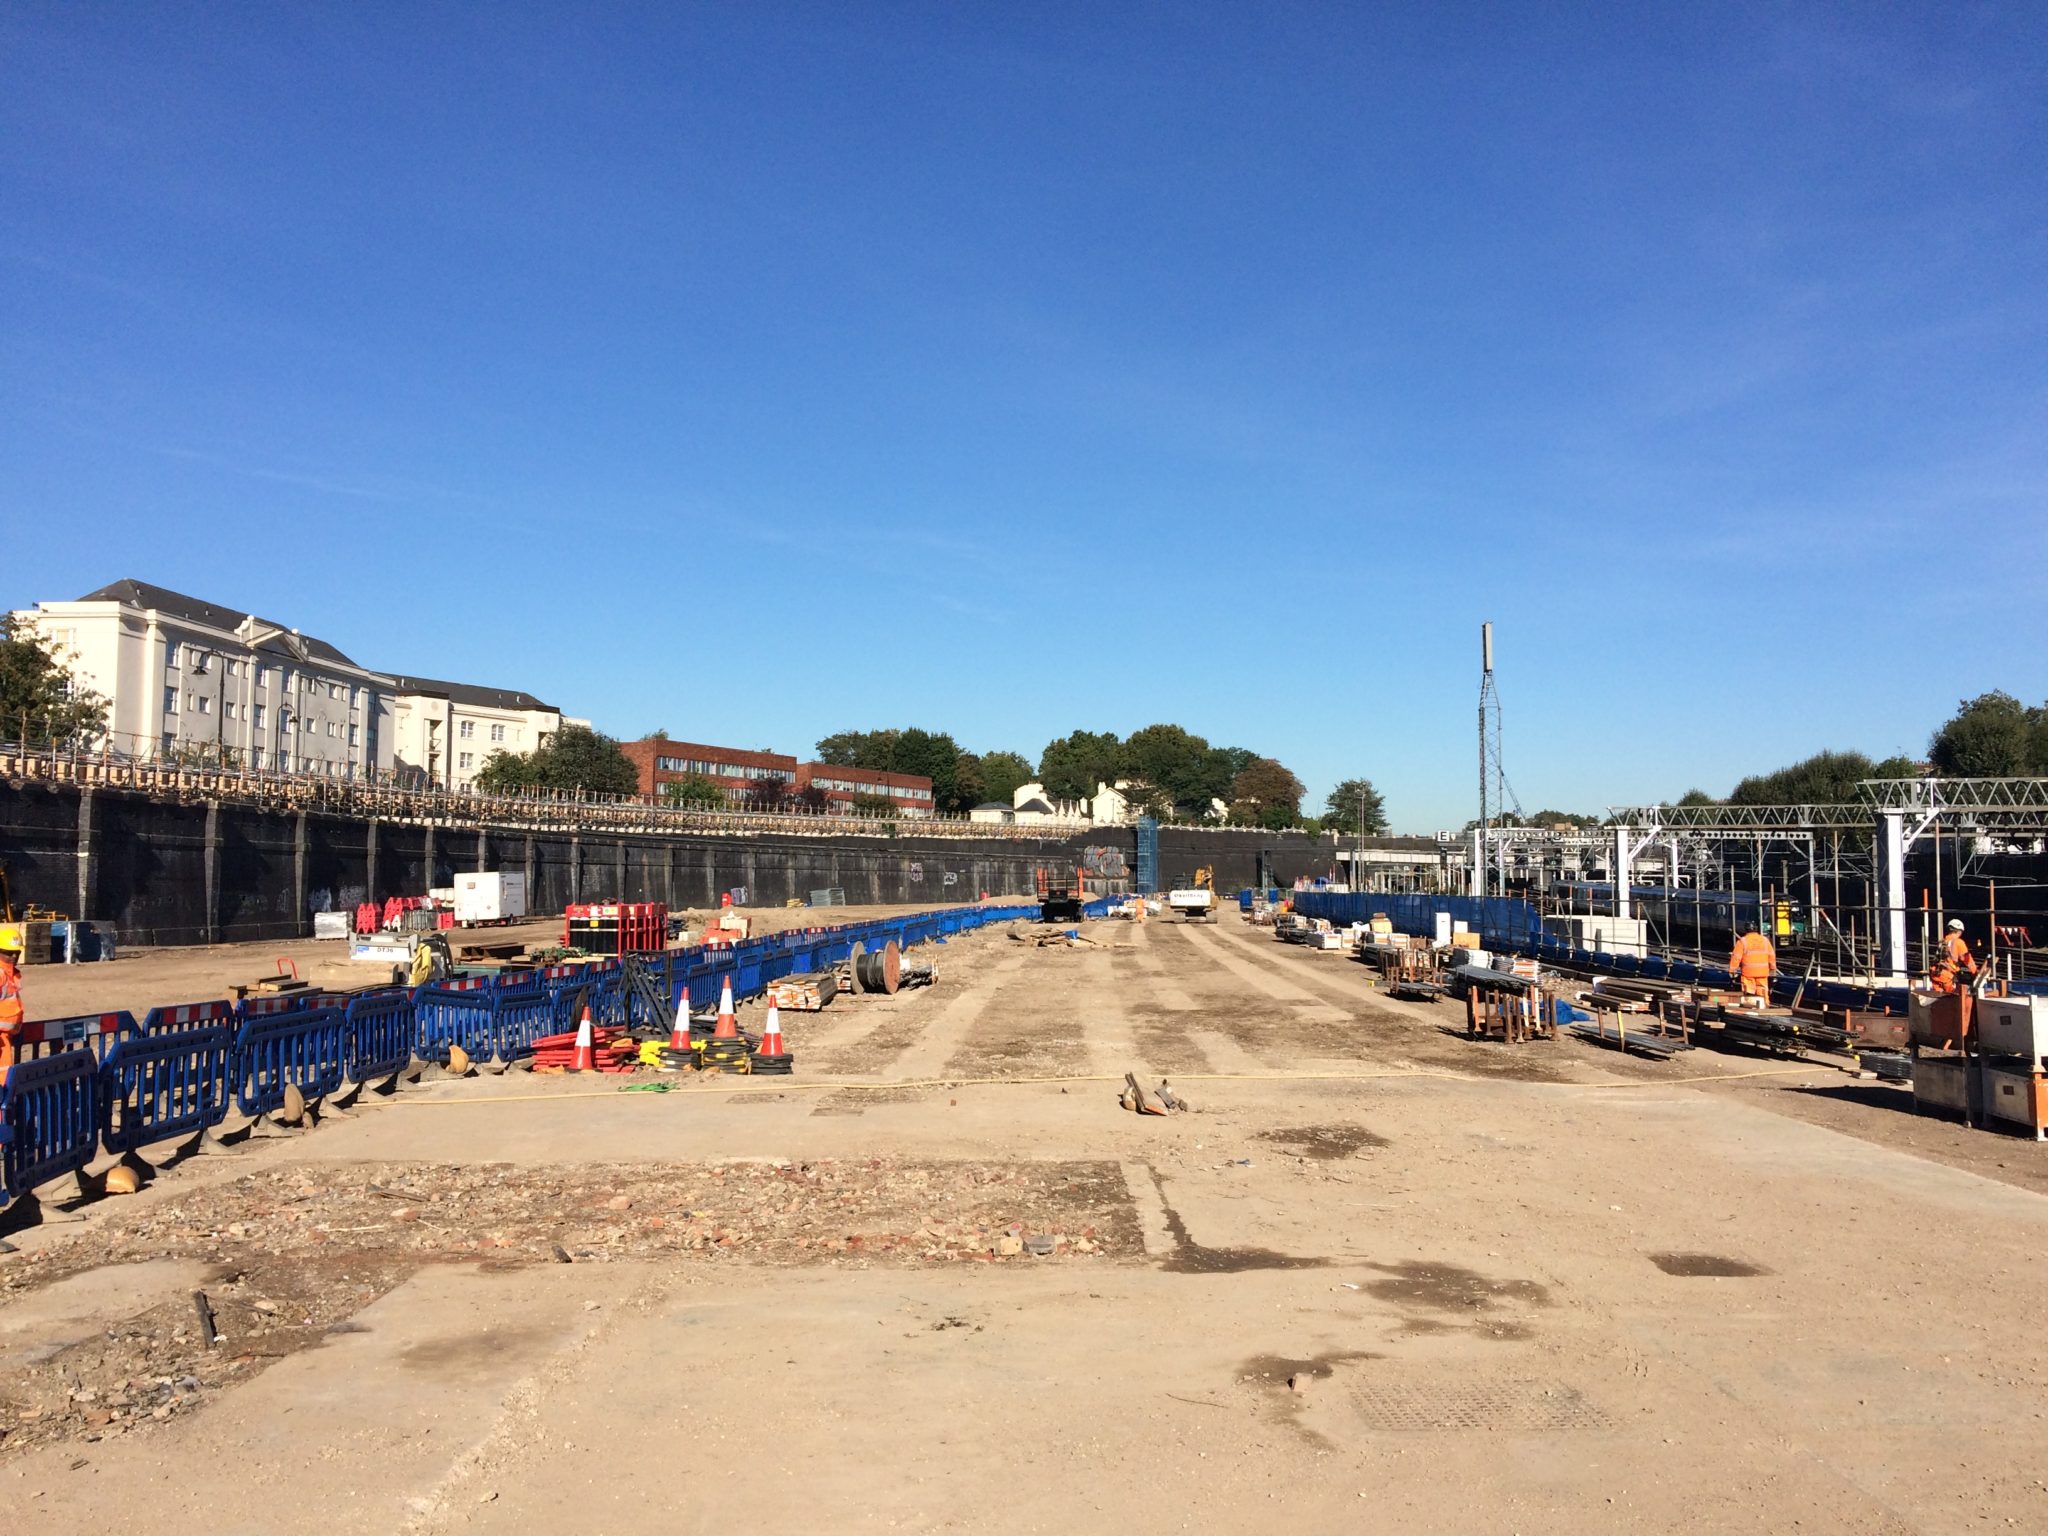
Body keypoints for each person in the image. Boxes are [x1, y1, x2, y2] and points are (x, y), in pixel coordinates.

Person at [1728, 922, 1776, 1003]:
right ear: (1756, 929)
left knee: (1749, 992)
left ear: (1746, 930)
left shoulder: (1742, 941)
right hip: (1762, 972)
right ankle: (1764, 1005)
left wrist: (1732, 970)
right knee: (1762, 991)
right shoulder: (1765, 940)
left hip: (1748, 973)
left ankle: (1750, 1006)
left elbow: (1736, 957)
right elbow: (1771, 955)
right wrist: (1772, 968)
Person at [0, 923, 24, 1076]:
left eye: (16, 952)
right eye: (9, 952)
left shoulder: (10, 974)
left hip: (6, 1038)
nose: (14, 956)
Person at [1931, 918, 1978, 996]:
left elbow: (1946, 959)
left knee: (1938, 1000)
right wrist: (1975, 973)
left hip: (1935, 973)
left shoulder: (1943, 941)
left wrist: (1958, 971)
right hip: (1947, 976)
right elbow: (1967, 960)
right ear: (1960, 931)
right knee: (1952, 999)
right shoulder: (1958, 942)